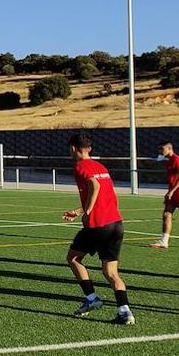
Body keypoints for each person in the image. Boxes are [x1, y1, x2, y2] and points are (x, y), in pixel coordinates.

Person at [62, 133, 134, 325]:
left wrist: (84, 210)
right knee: (111, 273)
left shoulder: (80, 166)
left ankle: (92, 298)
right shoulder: (100, 166)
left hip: (98, 224)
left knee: (73, 258)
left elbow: (94, 185)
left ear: (73, 148)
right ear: (90, 149)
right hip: (116, 224)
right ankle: (125, 311)